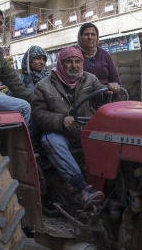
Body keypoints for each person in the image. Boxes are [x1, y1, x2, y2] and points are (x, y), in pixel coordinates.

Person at [32, 46, 118, 206]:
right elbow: (38, 114)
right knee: (51, 141)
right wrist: (62, 120)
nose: (74, 66)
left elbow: (100, 93)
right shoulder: (43, 86)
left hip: (84, 130)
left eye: (78, 61)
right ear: (60, 64)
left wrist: (109, 90)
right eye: (69, 62)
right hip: (59, 133)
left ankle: (114, 185)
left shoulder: (90, 79)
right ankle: (83, 188)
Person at [75, 22, 121, 92]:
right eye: (86, 34)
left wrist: (115, 85)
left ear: (97, 37)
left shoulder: (105, 55)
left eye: (93, 34)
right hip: (83, 97)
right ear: (80, 37)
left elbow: (116, 80)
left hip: (106, 96)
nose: (90, 37)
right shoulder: (73, 54)